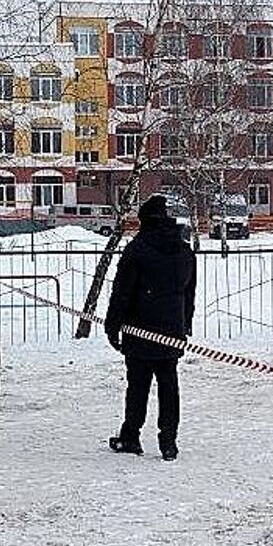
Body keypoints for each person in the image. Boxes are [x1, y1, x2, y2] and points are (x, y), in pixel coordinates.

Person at [105, 195, 197, 461]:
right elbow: (188, 293)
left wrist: (113, 326)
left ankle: (130, 436)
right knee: (169, 386)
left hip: (139, 331)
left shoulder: (137, 249)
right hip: (172, 331)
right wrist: (184, 324)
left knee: (138, 386)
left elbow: (122, 292)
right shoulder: (184, 250)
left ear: (145, 220)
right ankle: (168, 442)